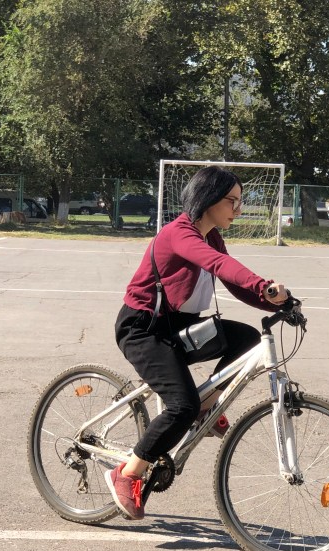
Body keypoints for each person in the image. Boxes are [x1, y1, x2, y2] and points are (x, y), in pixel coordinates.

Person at [107, 166, 288, 520]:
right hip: (143, 328)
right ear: (208, 199)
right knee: (181, 406)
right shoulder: (179, 233)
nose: (238, 210)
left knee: (248, 339)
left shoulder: (212, 236)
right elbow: (217, 264)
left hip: (178, 325)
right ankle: (127, 473)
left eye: (240, 201)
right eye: (232, 201)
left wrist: (276, 303)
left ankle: (205, 406)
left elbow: (232, 278)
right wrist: (262, 283)